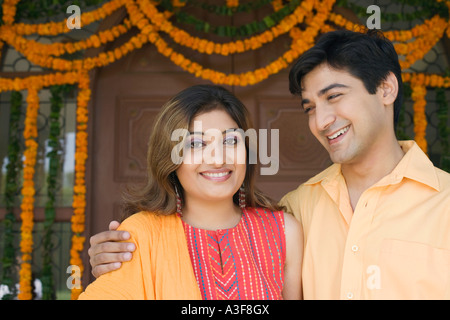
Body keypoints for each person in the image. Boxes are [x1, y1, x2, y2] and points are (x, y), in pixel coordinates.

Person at [88, 30, 450, 299]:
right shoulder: (299, 209)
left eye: (334, 97)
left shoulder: (444, 204)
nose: (321, 121)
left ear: (386, 89)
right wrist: (111, 257)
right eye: (310, 107)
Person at [78, 84, 303, 300]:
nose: (218, 159)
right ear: (170, 158)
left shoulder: (284, 233)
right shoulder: (139, 236)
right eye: (196, 144)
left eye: (231, 140)